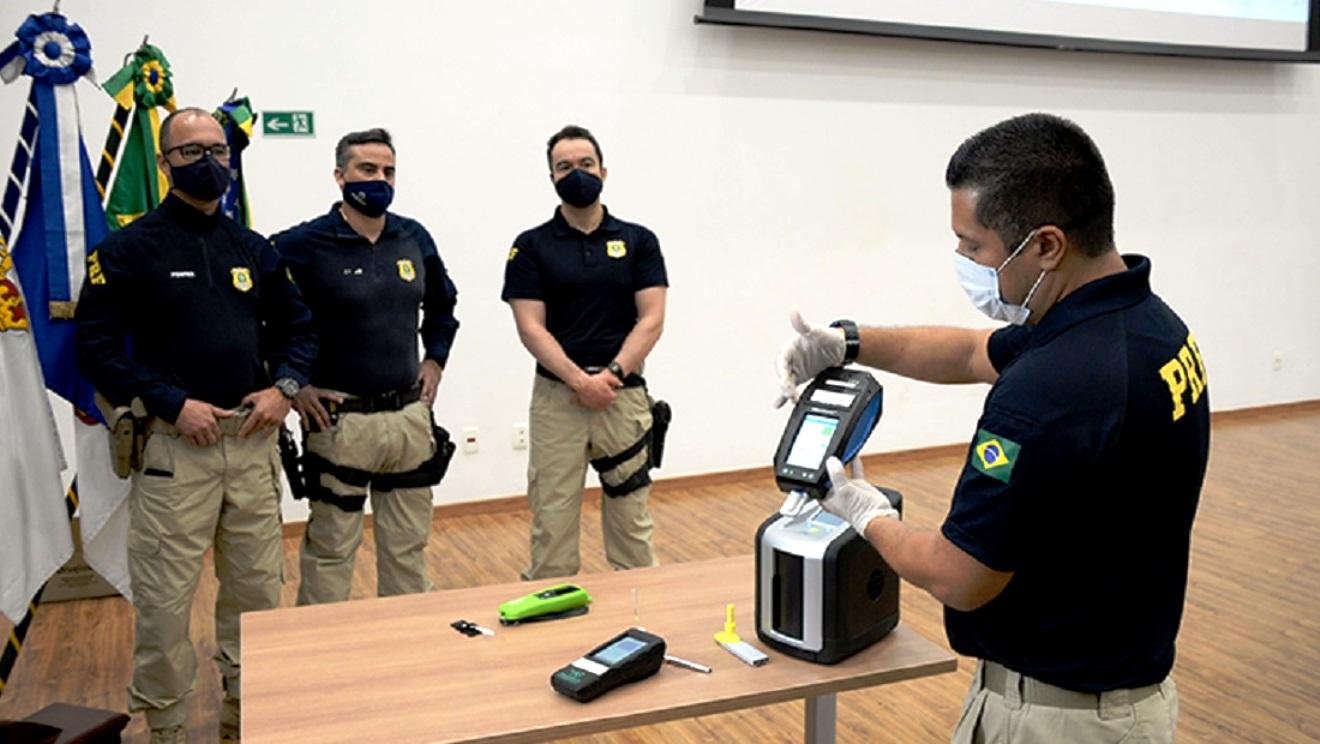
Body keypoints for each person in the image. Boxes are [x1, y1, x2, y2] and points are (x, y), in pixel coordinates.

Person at [777, 113, 1208, 743]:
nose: (962, 258)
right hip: (1127, 695)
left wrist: (865, 514)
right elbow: (972, 353)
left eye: (974, 245)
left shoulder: (1051, 390)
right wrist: (848, 342)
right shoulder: (1146, 326)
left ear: (1046, 246)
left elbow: (961, 577)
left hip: (1058, 718)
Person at [76, 108, 316, 744]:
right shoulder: (128, 249)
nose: (207, 162)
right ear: (163, 164)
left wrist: (285, 389)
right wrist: (169, 401)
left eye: (217, 149)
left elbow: (300, 331)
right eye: (189, 153)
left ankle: (247, 719)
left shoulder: (253, 248)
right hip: (175, 449)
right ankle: (169, 728)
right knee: (163, 605)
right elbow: (96, 348)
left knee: (258, 598)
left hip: (252, 443)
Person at [271, 128, 459, 605]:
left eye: (388, 171)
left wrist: (434, 359)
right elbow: (262, 319)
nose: (379, 179)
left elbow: (443, 305)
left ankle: (408, 656)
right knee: (332, 551)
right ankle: (322, 659)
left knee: (408, 551)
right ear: (340, 176)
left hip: (408, 421)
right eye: (367, 170)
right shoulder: (301, 245)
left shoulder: (414, 237)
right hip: (340, 423)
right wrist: (294, 386)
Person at [502, 125, 667, 580]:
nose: (577, 174)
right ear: (552, 177)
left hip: (624, 397)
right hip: (559, 400)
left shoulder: (639, 241)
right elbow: (530, 327)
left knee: (633, 527)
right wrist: (580, 381)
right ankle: (556, 629)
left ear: (604, 171)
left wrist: (610, 375)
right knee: (552, 525)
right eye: (565, 167)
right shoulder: (531, 246)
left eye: (586, 164)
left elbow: (651, 319)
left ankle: (642, 623)